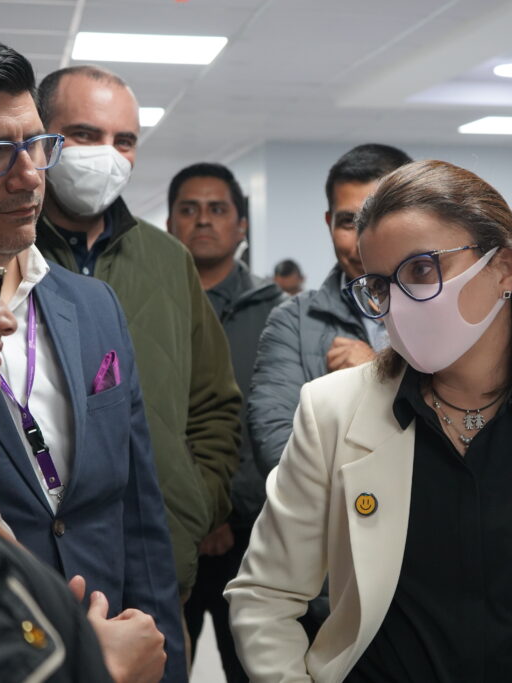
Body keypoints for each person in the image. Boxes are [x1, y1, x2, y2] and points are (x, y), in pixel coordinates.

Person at [226, 159, 512, 683]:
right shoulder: (332, 410)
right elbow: (264, 594)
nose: (398, 304)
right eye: (379, 285)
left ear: (504, 268)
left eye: (421, 271)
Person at [0, 34, 186, 680]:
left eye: (36, 144)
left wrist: (162, 658)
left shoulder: (93, 305)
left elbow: (137, 508)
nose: (30, 174)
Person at [34, 65, 242, 600]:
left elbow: (214, 402)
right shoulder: (5, 250)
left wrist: (196, 502)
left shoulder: (169, 260)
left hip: (158, 561)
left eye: (123, 141)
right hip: (35, 566)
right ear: (41, 137)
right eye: (85, 135)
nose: (107, 155)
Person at [168, 161, 285, 682]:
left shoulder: (278, 312)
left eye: (217, 209)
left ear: (241, 226)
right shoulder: (147, 306)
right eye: (189, 209)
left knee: (255, 669)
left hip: (256, 534)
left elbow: (276, 420)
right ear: (170, 224)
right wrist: (198, 513)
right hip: (170, 529)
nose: (203, 220)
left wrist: (224, 509)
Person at [249, 143, 412, 480]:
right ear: (329, 223)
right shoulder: (294, 322)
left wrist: (376, 378)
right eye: (348, 222)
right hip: (329, 511)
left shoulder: (447, 310)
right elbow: (278, 448)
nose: (362, 243)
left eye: (379, 218)